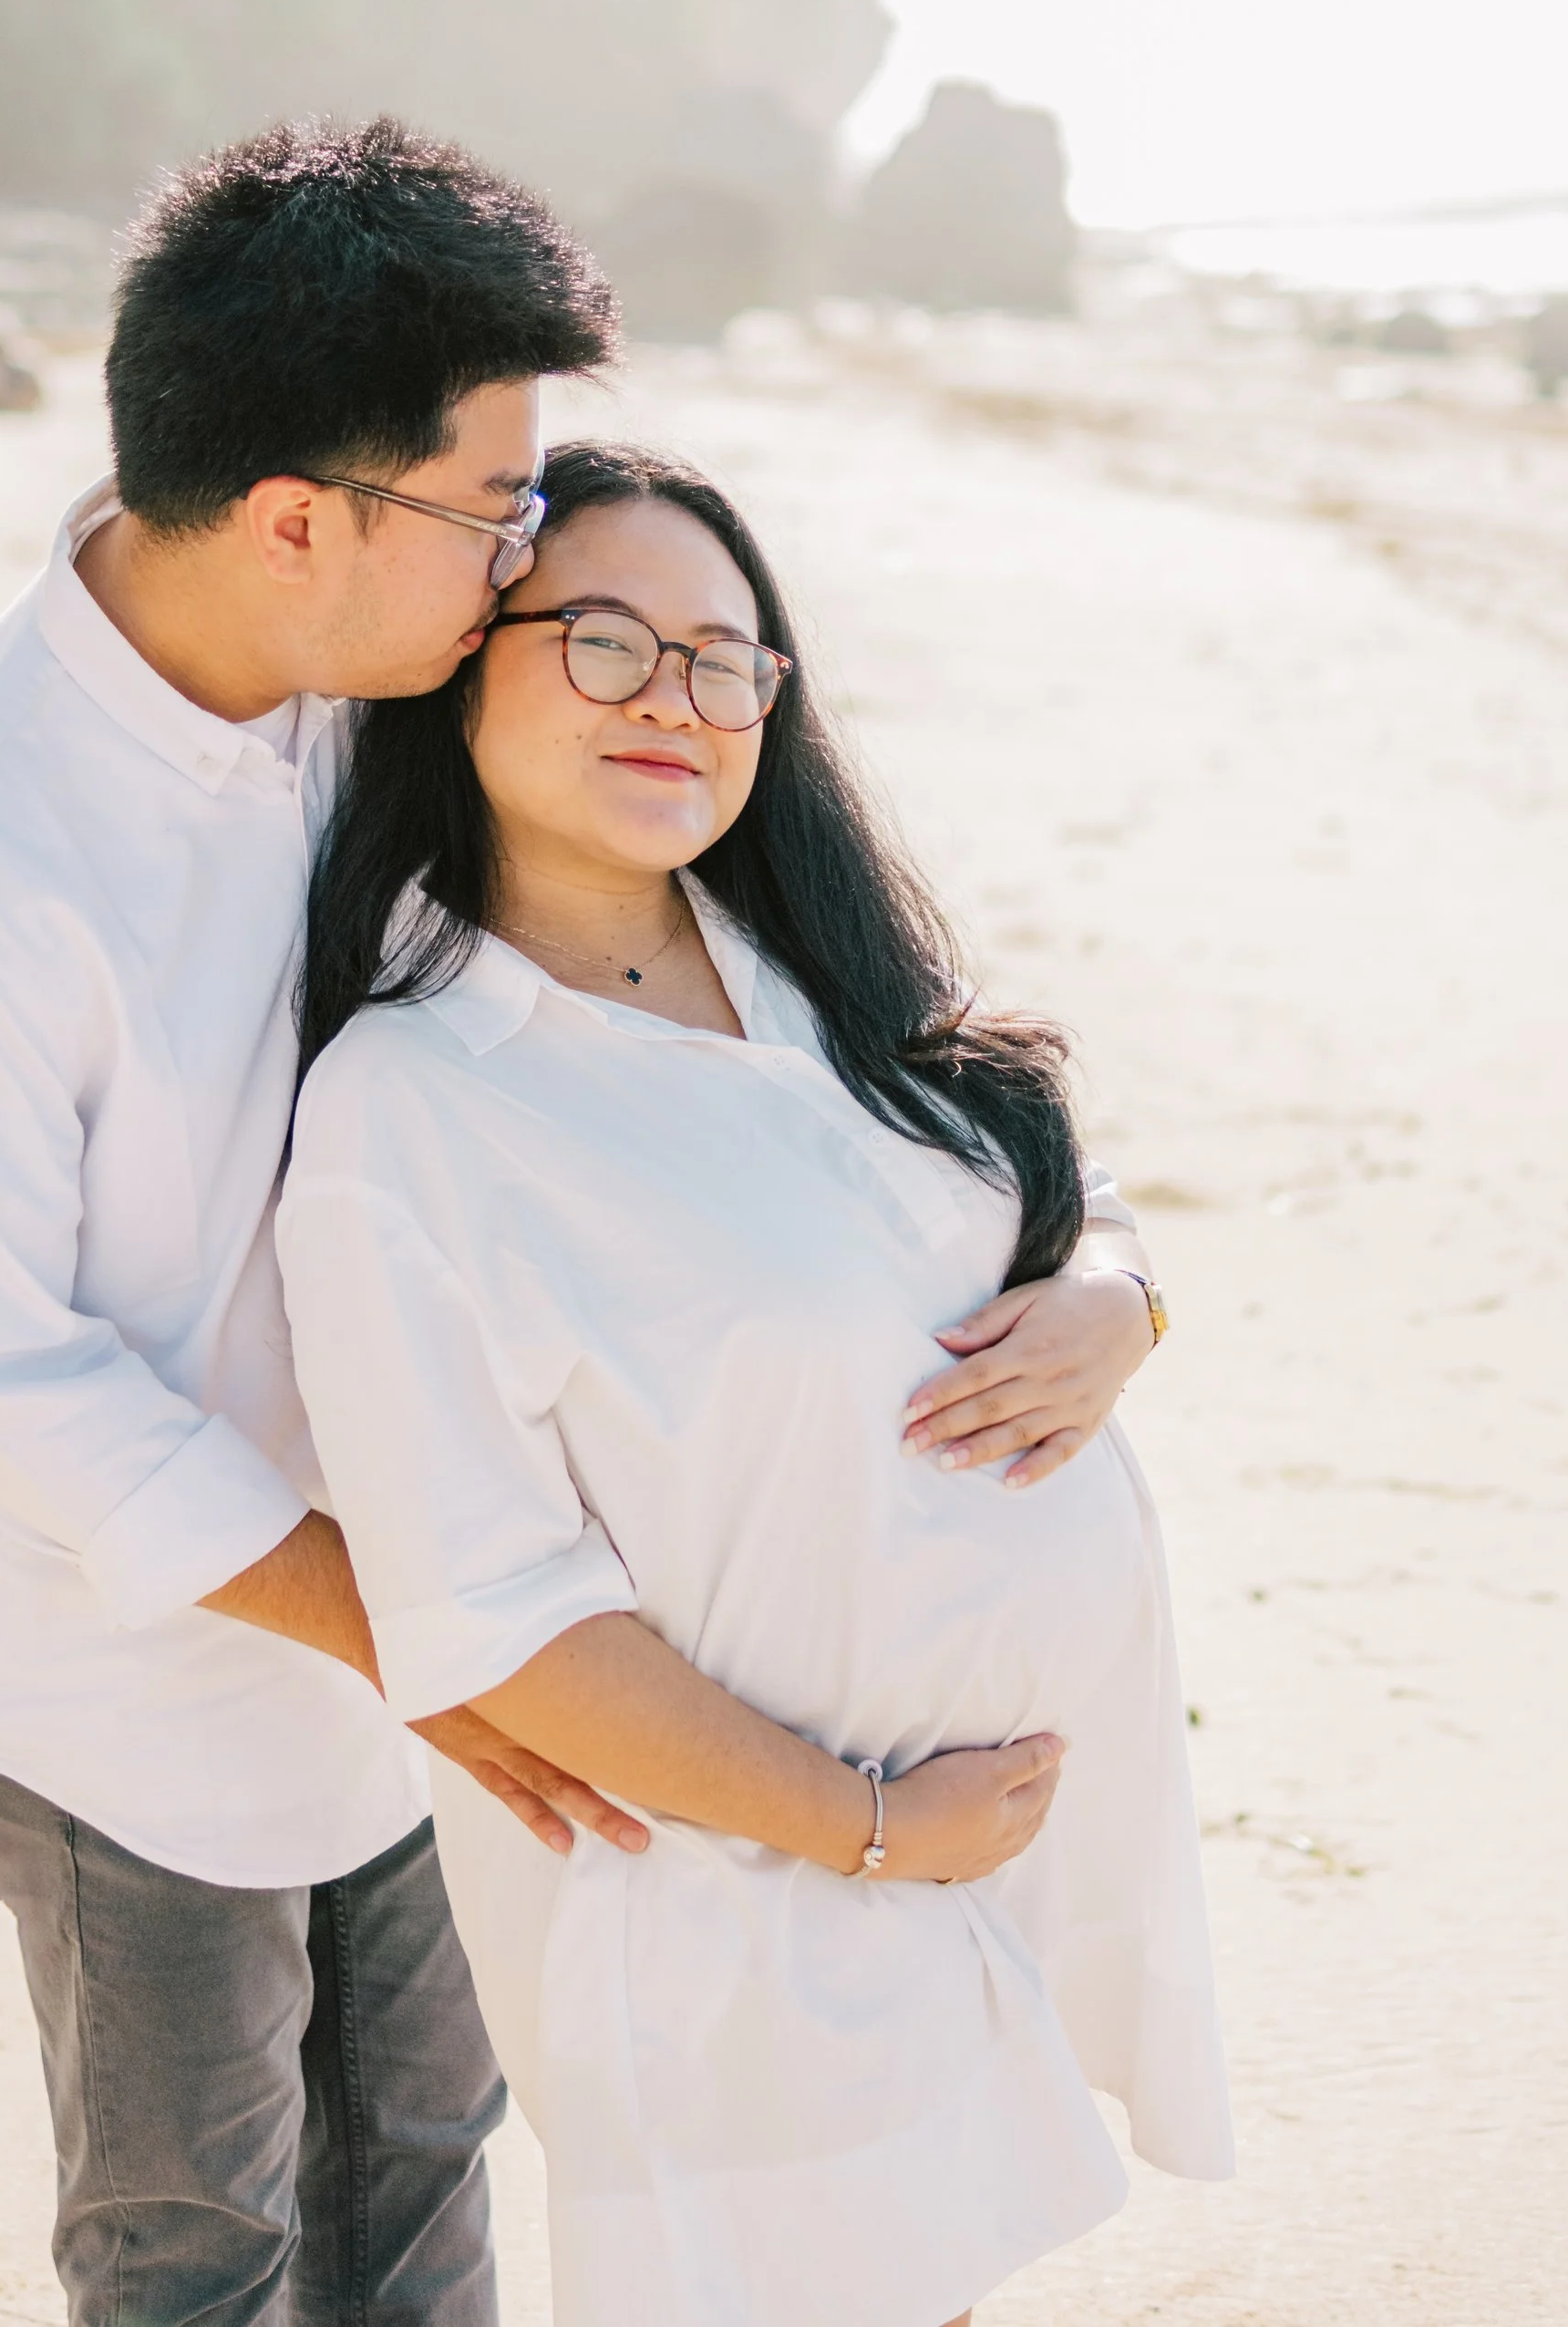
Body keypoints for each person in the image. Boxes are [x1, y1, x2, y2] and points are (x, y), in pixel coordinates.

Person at [0, 121, 642, 2327]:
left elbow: (746, 987)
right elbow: (0, 1378)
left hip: (418, 1612)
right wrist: (425, 1638)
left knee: (428, 2185)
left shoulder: (373, 704)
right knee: (203, 2247)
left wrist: (1100, 1265)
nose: (524, 562)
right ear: (294, 520)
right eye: (493, 508)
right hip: (116, 1684)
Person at [278, 439, 1233, 2327]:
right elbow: (492, 1622)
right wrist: (865, 1829)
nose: (678, 703)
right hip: (748, 1893)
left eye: (725, 660)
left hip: (972, 1863)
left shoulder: (799, 967)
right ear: (469, 659)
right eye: (607, 643)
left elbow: (1034, 1184)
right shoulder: (417, 1109)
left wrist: (1118, 1298)